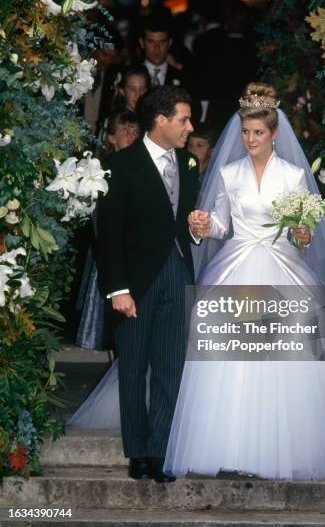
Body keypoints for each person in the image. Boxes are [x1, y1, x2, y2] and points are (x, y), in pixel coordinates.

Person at [163, 82, 325, 481]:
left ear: (273, 134)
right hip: (235, 263)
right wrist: (203, 226)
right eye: (246, 131)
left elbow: (301, 230)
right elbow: (221, 222)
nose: (250, 139)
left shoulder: (291, 175)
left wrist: (302, 234)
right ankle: (226, 445)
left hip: (282, 265)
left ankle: (288, 446)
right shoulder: (228, 172)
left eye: (258, 132)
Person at [94, 86, 204, 483]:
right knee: (134, 367)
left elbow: (185, 223)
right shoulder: (120, 166)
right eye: (183, 120)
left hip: (176, 272)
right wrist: (118, 288)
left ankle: (160, 451)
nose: (190, 128)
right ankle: (137, 452)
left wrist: (197, 230)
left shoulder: (191, 164)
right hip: (135, 282)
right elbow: (108, 233)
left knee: (170, 368)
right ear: (160, 120)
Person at [75, 111, 141, 352]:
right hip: (111, 250)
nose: (132, 136)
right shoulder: (102, 170)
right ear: (112, 137)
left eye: (136, 132)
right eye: (126, 131)